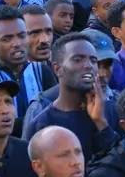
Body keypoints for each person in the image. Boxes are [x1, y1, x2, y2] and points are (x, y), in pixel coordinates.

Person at [23, 32, 119, 160]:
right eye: (78, 59)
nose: (88, 65)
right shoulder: (41, 123)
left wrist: (101, 123)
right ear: (57, 69)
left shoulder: (111, 110)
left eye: (93, 60)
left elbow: (123, 165)